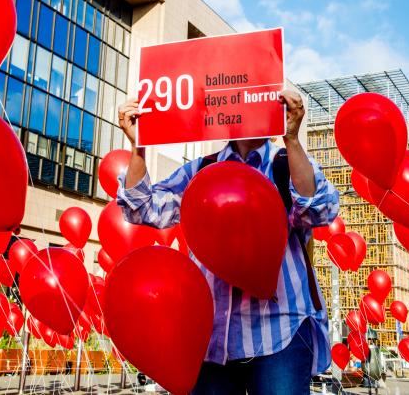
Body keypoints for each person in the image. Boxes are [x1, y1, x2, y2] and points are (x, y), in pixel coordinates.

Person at [116, 90, 339, 395]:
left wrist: (293, 140)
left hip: (280, 333)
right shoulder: (200, 170)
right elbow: (141, 207)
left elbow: (320, 209)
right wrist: (138, 148)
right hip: (211, 340)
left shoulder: (286, 163)